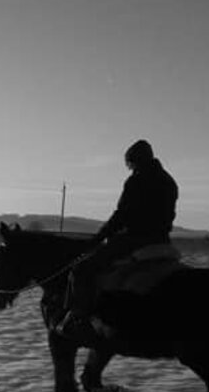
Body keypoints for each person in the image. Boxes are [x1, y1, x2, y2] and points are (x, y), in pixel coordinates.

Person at [55, 139, 178, 339]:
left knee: (81, 270)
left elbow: (122, 215)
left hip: (136, 239)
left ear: (135, 161)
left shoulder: (137, 180)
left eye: (129, 164)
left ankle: (78, 319)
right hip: (162, 240)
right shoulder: (169, 180)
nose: (129, 169)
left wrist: (98, 238)